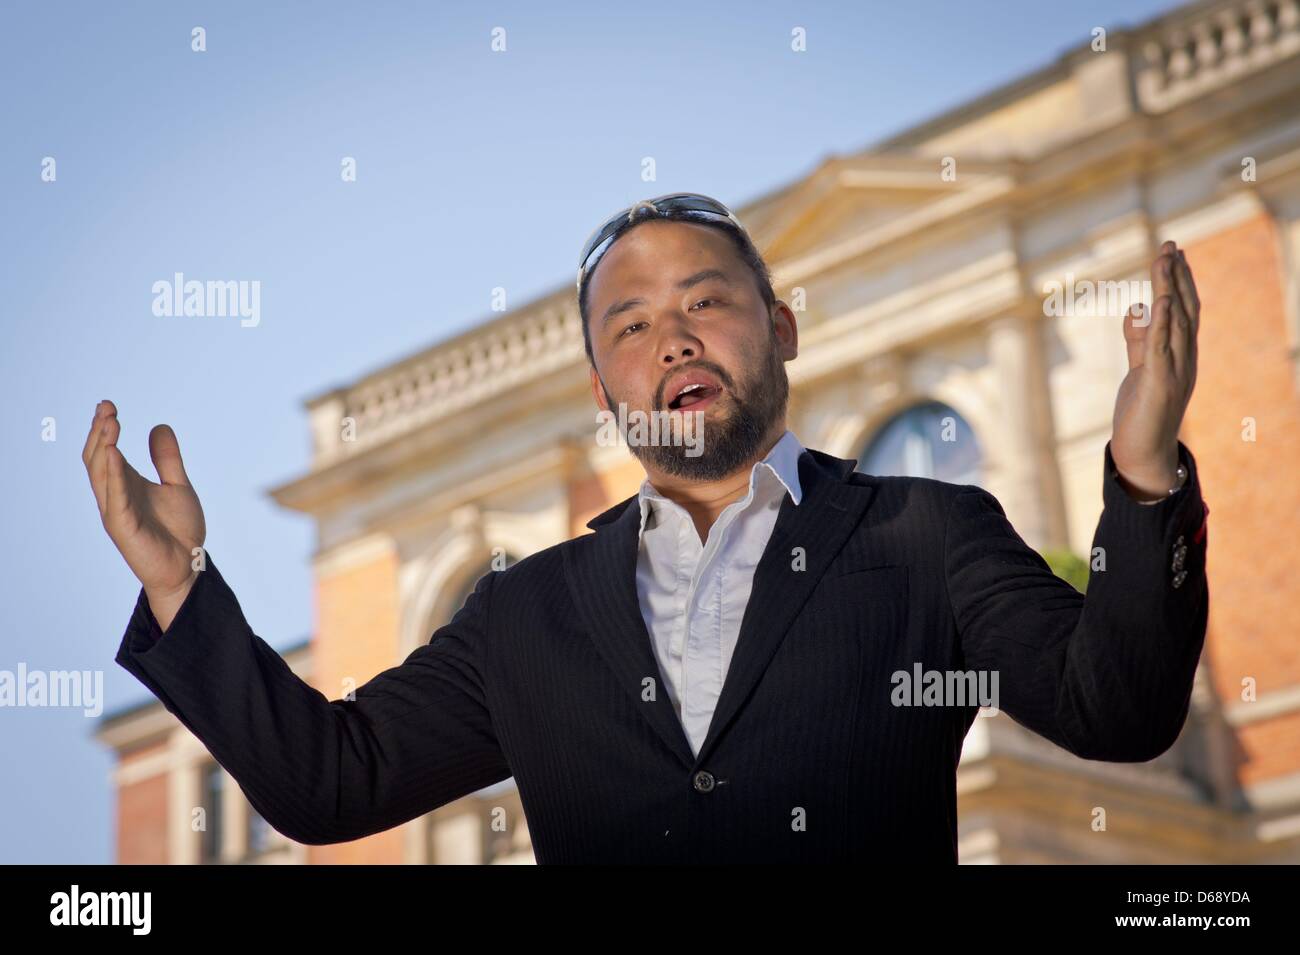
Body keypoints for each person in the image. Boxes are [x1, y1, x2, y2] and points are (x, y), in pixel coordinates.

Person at [86, 194, 1209, 863]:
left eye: (705, 303)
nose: (672, 339)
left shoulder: (927, 531)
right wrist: (182, 580)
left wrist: (1145, 469)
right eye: (631, 324)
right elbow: (329, 781)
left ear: (778, 331)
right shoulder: (525, 611)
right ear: (599, 387)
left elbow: (1115, 707)